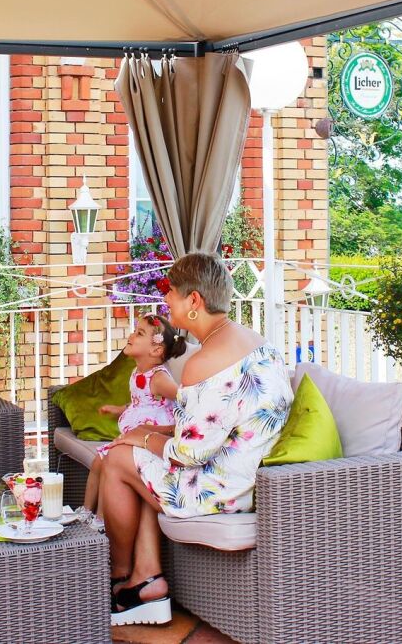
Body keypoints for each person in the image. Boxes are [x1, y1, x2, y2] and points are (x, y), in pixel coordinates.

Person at [101, 252, 293, 627]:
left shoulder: (205, 362)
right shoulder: (258, 343)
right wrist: (149, 438)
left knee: (118, 460)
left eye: (171, 291)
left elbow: (186, 454)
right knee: (141, 460)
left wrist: (142, 438)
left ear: (194, 300)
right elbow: (215, 427)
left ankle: (117, 578)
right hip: (250, 480)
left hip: (220, 491)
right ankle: (147, 578)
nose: (165, 299)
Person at [83, 314, 185, 523]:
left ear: (156, 350)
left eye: (139, 333)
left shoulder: (158, 378)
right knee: (97, 462)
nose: (131, 335)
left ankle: (101, 519)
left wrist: (172, 428)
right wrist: (117, 409)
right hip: (134, 436)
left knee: (107, 463)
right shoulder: (137, 372)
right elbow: (140, 403)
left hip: (149, 439)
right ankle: (85, 511)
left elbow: (184, 399)